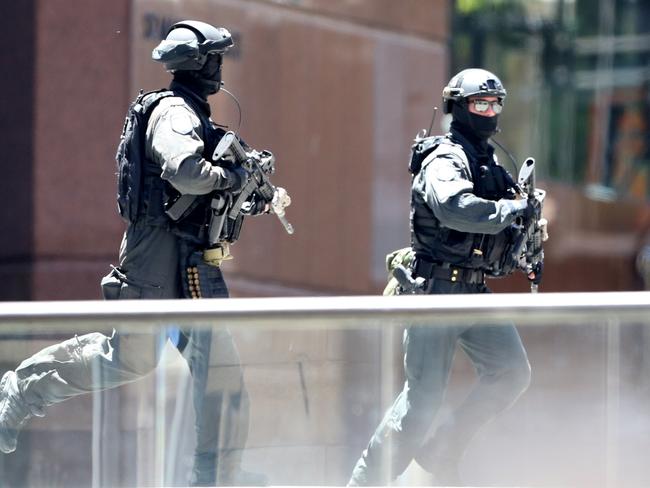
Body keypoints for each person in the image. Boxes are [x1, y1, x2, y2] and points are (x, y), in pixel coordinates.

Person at [0, 20, 289, 486]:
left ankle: (214, 478)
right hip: (155, 253)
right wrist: (230, 178)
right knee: (129, 358)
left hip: (197, 261)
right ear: (196, 63)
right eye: (213, 57)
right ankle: (19, 391)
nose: (219, 67)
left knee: (223, 379)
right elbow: (187, 172)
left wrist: (249, 186)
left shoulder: (195, 115)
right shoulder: (174, 113)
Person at [348, 68, 540, 486]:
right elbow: (454, 206)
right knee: (420, 405)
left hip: (473, 288)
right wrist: (509, 212)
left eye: (495, 104)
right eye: (480, 104)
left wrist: (525, 233)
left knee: (511, 372)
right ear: (459, 106)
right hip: (436, 290)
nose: (490, 111)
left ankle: (442, 451)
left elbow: (507, 216)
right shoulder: (446, 158)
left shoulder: (488, 161)